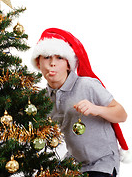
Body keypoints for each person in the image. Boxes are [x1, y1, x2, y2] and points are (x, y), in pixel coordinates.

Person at [31, 28, 131, 177]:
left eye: (59, 58)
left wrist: (96, 109)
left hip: (101, 162)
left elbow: (122, 115)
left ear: (69, 64)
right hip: (73, 163)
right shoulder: (41, 98)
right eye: (47, 57)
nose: (52, 63)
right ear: (38, 63)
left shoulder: (87, 85)